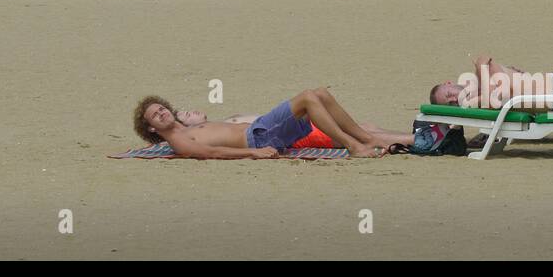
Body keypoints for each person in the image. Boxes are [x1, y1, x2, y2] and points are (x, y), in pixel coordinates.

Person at [133, 88, 412, 159]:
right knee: (307, 98)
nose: (161, 113)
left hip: (260, 131)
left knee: (320, 94)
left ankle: (366, 138)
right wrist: (253, 153)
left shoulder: (188, 127)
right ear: (152, 130)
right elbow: (212, 153)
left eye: (161, 108)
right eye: (155, 117)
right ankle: (355, 145)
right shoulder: (179, 140)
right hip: (258, 138)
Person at [172, 106, 411, 151]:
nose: (190, 111)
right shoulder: (201, 137)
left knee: (364, 127)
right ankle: (416, 140)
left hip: (291, 128)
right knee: (359, 134)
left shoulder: (222, 123)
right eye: (185, 115)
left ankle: (412, 136)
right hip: (295, 138)